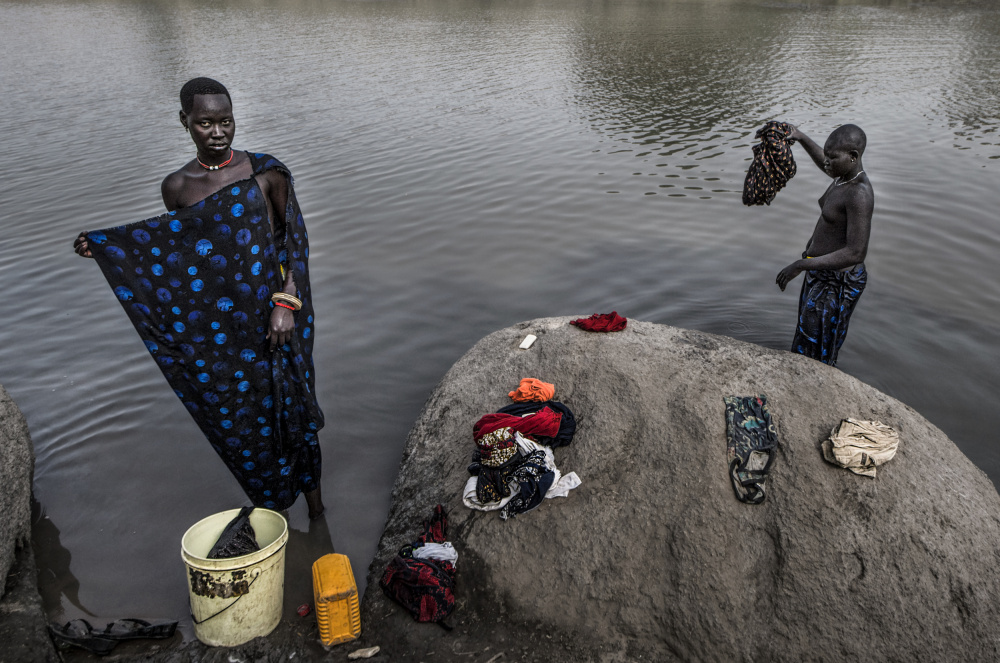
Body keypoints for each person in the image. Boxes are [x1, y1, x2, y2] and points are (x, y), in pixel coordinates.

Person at [74, 78, 325, 518]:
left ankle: (319, 516)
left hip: (276, 317)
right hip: (225, 330)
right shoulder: (177, 188)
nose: (217, 131)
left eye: (225, 121)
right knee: (247, 421)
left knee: (296, 415)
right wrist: (111, 252)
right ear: (184, 122)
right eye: (204, 122)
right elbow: (175, 258)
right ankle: (275, 517)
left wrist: (286, 303)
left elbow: (295, 246)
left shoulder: (265, 173)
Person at [775, 123, 873, 367]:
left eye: (832, 157)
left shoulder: (858, 194)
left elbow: (855, 252)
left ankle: (817, 390)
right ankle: (800, 381)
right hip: (819, 273)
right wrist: (799, 136)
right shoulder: (842, 177)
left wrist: (801, 265)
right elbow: (824, 161)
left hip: (836, 283)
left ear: (853, 157)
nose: (827, 163)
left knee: (820, 345)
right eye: (827, 156)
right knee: (806, 338)